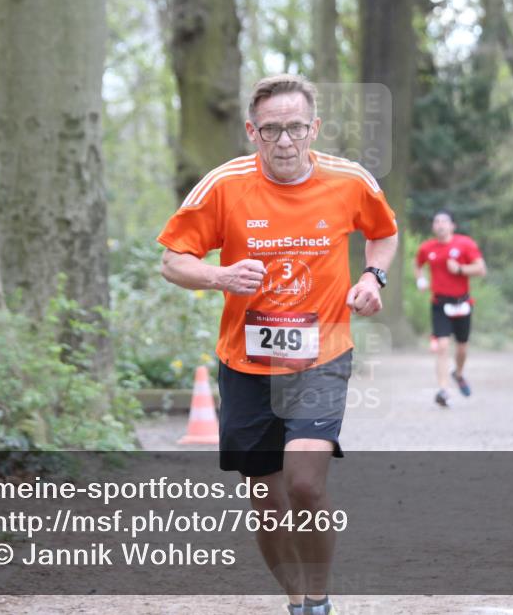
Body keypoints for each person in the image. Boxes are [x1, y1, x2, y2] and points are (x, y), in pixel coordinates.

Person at [157, 74, 398, 615]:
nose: (284, 141)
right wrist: (219, 277)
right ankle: (296, 600)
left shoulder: (349, 180)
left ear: (314, 128)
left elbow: (383, 232)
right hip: (246, 363)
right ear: (252, 131)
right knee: (266, 500)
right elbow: (173, 260)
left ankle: (319, 599)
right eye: (271, 130)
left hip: (322, 355)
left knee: (306, 485)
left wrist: (371, 279)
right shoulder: (224, 186)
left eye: (294, 128)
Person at [414, 210, 486, 407]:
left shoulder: (465, 244)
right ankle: (444, 390)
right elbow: (418, 263)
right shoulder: (427, 248)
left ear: (453, 226)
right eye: (436, 222)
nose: (440, 225)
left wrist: (461, 269)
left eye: (444, 221)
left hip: (462, 303)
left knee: (462, 347)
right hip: (439, 303)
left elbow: (481, 268)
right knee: (442, 346)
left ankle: (459, 373)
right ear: (433, 227)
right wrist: (420, 279)